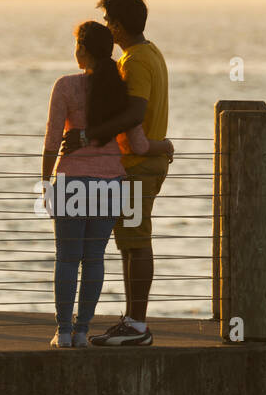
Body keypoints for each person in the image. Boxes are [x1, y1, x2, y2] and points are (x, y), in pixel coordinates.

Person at [41, 21, 173, 348]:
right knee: (95, 259)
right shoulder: (120, 89)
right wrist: (166, 146)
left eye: (77, 46)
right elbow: (139, 145)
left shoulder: (65, 86)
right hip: (111, 184)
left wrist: (46, 182)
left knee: (67, 258)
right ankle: (84, 331)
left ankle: (64, 331)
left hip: (71, 181)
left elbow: (51, 140)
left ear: (83, 50)